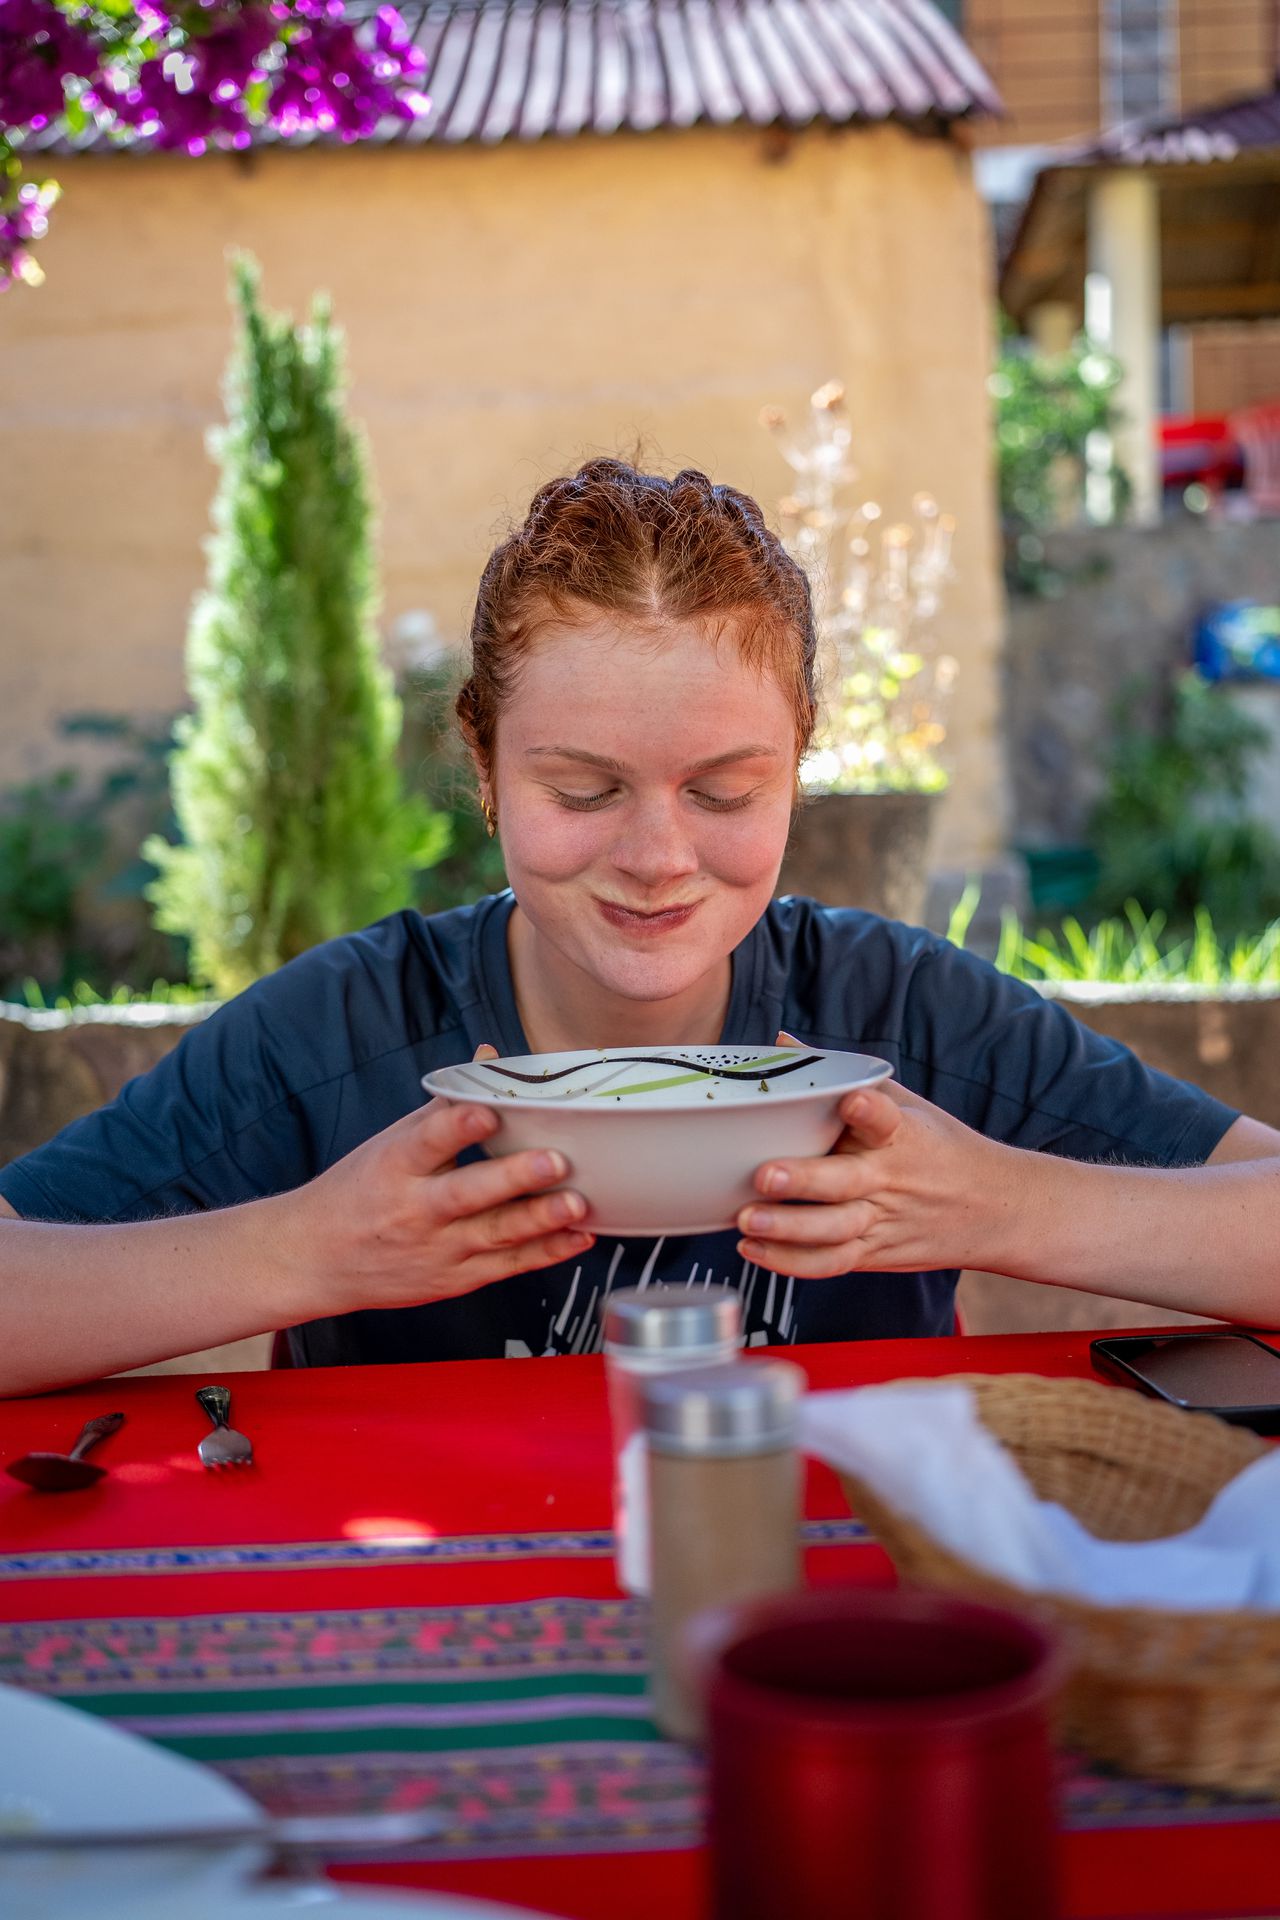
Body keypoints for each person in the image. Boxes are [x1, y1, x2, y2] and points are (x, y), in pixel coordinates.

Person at [1, 460, 1277, 1397]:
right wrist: (300, 1253)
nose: (657, 859)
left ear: (796, 767)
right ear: (483, 767)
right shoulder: (345, 1029)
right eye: (580, 791)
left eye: (723, 793)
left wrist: (1005, 1208)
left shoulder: (900, 1016)